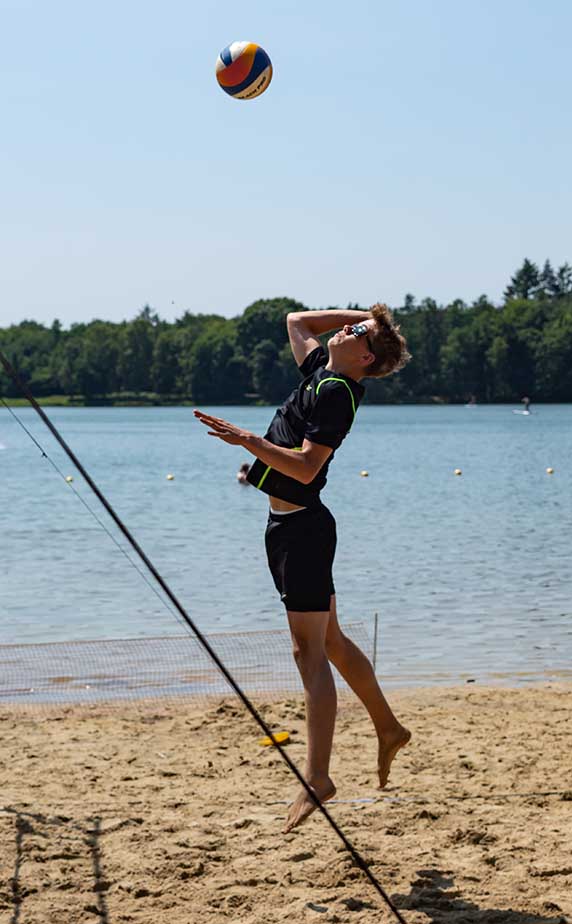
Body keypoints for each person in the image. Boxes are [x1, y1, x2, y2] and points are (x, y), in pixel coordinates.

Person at [193, 304, 412, 833]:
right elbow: (295, 320)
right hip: (289, 528)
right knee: (331, 641)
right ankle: (387, 728)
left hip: (304, 532)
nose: (342, 331)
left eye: (354, 332)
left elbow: (308, 465)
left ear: (363, 355)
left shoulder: (338, 392)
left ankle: (318, 776)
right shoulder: (323, 372)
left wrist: (249, 442)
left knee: (308, 651)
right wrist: (372, 315)